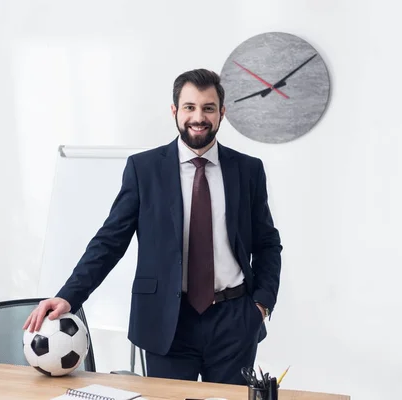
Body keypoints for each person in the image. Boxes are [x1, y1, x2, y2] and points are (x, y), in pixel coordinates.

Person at [23, 68, 282, 385]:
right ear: (175, 111)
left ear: (222, 113)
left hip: (234, 320)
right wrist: (69, 297)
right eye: (189, 107)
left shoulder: (248, 170)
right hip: (166, 322)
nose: (198, 117)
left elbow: (268, 243)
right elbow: (110, 242)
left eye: (208, 108)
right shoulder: (143, 169)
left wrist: (261, 305)